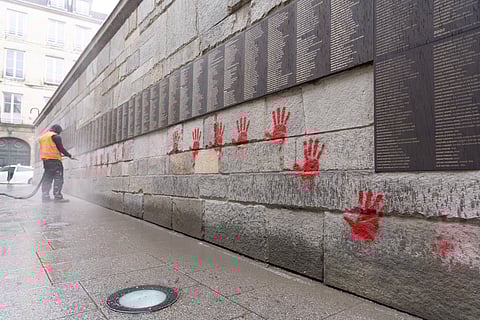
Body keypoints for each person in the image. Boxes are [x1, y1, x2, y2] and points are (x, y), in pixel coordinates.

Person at [38, 124, 72, 202]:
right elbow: (61, 148)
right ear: (57, 130)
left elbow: (49, 148)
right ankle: (58, 196)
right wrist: (69, 155)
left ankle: (45, 196)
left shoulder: (42, 137)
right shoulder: (55, 136)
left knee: (47, 178)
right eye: (59, 132)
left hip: (46, 161)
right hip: (55, 161)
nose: (59, 134)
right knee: (58, 178)